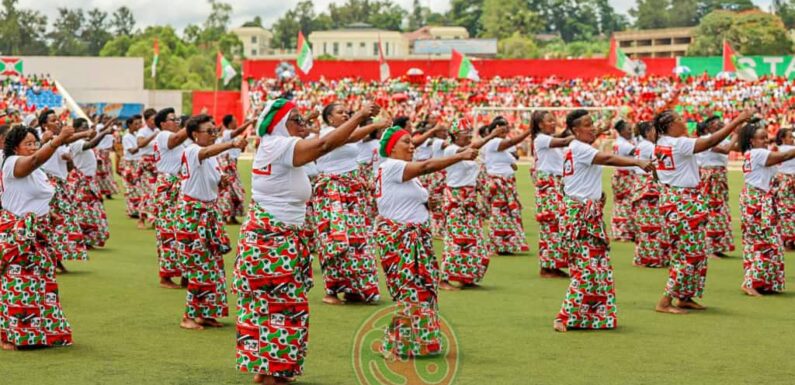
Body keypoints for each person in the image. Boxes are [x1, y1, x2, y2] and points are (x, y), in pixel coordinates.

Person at [233, 99, 381, 385]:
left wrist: (366, 123)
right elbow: (325, 145)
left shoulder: (278, 144)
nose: (305, 125)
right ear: (280, 124)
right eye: (297, 120)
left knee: (271, 306)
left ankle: (270, 371)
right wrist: (361, 115)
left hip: (276, 238)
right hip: (273, 241)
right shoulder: (278, 144)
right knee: (281, 306)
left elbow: (339, 139)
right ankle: (272, 373)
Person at [374, 125, 478, 358]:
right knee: (410, 291)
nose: (412, 146)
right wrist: (460, 156)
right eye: (406, 142)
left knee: (422, 290)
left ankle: (419, 342)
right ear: (391, 148)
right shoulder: (392, 166)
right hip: (401, 237)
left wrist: (426, 204)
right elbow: (427, 166)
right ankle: (390, 343)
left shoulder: (400, 172)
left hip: (415, 236)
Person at [554, 110, 654, 332]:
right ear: (575, 130)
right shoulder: (580, 148)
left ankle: (589, 317)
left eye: (592, 124)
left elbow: (594, 139)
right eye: (587, 125)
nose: (592, 128)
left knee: (598, 266)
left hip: (586, 212)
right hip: (580, 215)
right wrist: (636, 162)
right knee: (588, 267)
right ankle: (563, 316)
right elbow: (607, 158)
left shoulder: (576, 146)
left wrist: (602, 128)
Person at [653, 108, 752, 314]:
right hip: (684, 201)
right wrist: (736, 121)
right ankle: (665, 301)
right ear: (670, 126)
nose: (684, 122)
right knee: (688, 253)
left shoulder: (662, 144)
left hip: (676, 199)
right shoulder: (678, 143)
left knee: (695, 251)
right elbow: (709, 142)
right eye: (680, 119)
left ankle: (684, 297)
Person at [0, 124, 75, 350]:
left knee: (41, 286)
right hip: (19, 234)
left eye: (35, 143)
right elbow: (32, 161)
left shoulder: (38, 172)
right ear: (14, 147)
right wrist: (56, 141)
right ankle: (10, 336)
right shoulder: (12, 163)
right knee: (19, 284)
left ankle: (40, 333)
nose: (33, 147)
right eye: (28, 144)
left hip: (37, 235)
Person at [310, 102, 389, 305]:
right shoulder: (328, 133)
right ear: (329, 119)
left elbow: (355, 138)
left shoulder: (351, 131)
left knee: (358, 243)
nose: (345, 115)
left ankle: (355, 289)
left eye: (347, 112)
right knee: (336, 241)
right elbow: (350, 137)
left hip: (353, 194)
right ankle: (332, 290)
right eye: (340, 112)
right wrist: (372, 123)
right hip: (333, 193)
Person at [176, 114, 247, 330]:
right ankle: (188, 316)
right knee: (199, 266)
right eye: (210, 131)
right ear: (195, 135)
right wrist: (232, 143)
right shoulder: (192, 150)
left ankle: (205, 313)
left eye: (215, 130)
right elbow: (206, 151)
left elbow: (212, 183)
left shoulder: (210, 158)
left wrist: (222, 182)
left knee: (213, 267)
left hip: (208, 213)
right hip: (194, 215)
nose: (214, 135)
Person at [440, 119, 502, 290]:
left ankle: (467, 277)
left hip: (470, 198)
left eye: (469, 132)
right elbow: (469, 149)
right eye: (463, 133)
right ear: (454, 136)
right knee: (455, 239)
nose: (467, 136)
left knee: (475, 240)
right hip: (456, 198)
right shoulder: (451, 150)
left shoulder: (470, 154)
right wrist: (491, 136)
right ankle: (444, 278)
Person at [736, 121, 795, 296]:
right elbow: (783, 157)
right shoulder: (758, 153)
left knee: (756, 242)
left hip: (754, 198)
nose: (765, 141)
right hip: (758, 200)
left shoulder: (750, 153)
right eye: (761, 138)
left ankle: (760, 281)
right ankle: (752, 282)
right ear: (752, 141)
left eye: (766, 138)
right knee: (768, 242)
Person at [39, 110, 90, 270]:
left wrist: (69, 160)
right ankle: (50, 258)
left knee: (60, 222)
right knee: (57, 221)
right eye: (53, 120)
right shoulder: (46, 138)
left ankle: (54, 257)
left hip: (60, 183)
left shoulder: (59, 141)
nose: (58, 122)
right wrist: (85, 133)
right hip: (49, 184)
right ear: (44, 125)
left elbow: (67, 164)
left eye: (58, 119)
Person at [151, 108, 191, 289]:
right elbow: (176, 139)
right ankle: (165, 277)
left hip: (178, 184)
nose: (177, 122)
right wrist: (192, 125)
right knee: (168, 232)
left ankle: (185, 272)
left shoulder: (176, 141)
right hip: (168, 185)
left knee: (183, 230)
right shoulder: (163, 136)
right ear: (162, 124)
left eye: (177, 119)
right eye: (172, 119)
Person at [531, 110, 574, 278]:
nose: (553, 123)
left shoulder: (549, 140)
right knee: (551, 223)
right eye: (549, 121)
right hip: (548, 184)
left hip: (555, 183)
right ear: (540, 125)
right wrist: (578, 136)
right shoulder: (541, 139)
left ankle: (553, 264)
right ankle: (547, 266)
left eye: (554, 120)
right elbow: (564, 140)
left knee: (556, 224)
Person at [482, 116, 531, 254]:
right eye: (500, 126)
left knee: (507, 215)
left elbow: (514, 163)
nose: (504, 128)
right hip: (499, 183)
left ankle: (506, 245)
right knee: (500, 215)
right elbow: (511, 145)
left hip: (507, 183)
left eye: (505, 126)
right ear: (493, 130)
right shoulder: (494, 142)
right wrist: (528, 132)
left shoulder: (503, 147)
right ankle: (499, 245)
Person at [68, 118, 113, 249]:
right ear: (76, 130)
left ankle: (88, 239)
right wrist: (104, 133)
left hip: (89, 181)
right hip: (82, 182)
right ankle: (81, 239)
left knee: (91, 212)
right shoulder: (77, 142)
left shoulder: (81, 142)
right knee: (85, 213)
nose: (86, 130)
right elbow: (91, 145)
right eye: (83, 128)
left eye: (86, 127)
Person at [630, 121, 668, 267]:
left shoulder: (642, 145)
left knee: (646, 224)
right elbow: (659, 163)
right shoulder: (650, 146)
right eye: (654, 131)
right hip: (648, 185)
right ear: (647, 133)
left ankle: (644, 256)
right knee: (653, 225)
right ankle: (650, 258)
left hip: (642, 183)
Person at [696, 116, 734, 258]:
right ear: (709, 127)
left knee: (720, 210)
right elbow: (726, 150)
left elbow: (733, 147)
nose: (719, 123)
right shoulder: (707, 138)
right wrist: (735, 133)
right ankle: (709, 247)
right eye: (715, 122)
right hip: (711, 175)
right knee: (713, 209)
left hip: (718, 175)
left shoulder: (718, 138)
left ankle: (717, 246)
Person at [215, 114, 251, 224]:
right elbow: (236, 132)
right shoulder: (227, 134)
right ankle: (227, 216)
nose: (237, 123)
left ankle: (231, 216)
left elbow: (239, 150)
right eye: (235, 121)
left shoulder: (230, 136)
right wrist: (248, 123)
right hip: (227, 166)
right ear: (230, 123)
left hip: (232, 166)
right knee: (229, 192)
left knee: (234, 192)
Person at [610, 120, 637, 242]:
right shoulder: (624, 145)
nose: (631, 132)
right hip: (626, 175)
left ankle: (619, 231)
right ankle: (624, 232)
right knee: (627, 203)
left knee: (620, 203)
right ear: (621, 131)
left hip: (620, 174)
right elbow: (638, 152)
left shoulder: (619, 142)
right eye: (628, 129)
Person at [136, 108, 160, 228]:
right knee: (148, 191)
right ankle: (142, 218)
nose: (154, 122)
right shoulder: (142, 131)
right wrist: (153, 136)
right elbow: (140, 144)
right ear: (146, 120)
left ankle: (153, 217)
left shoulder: (158, 130)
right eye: (152, 119)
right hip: (146, 163)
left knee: (155, 191)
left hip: (156, 164)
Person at [773, 127, 795, 249]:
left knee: (785, 211)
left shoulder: (777, 149)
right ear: (783, 138)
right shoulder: (788, 149)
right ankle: (789, 241)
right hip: (788, 181)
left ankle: (787, 239)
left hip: (782, 181)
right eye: (790, 137)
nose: (792, 139)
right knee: (789, 212)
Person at [119, 115, 143, 218]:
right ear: (129, 125)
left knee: (138, 187)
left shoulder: (137, 134)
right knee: (131, 187)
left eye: (139, 123)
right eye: (136, 123)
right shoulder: (126, 136)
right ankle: (132, 210)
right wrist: (143, 144)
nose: (138, 125)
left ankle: (137, 210)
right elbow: (131, 151)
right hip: (130, 163)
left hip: (138, 162)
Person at [94, 114, 120, 199]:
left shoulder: (110, 127)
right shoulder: (99, 126)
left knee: (108, 173)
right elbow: (103, 129)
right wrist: (111, 120)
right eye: (104, 118)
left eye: (107, 118)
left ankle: (108, 192)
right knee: (102, 174)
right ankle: (100, 192)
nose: (106, 120)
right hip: (101, 152)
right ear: (101, 119)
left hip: (107, 153)